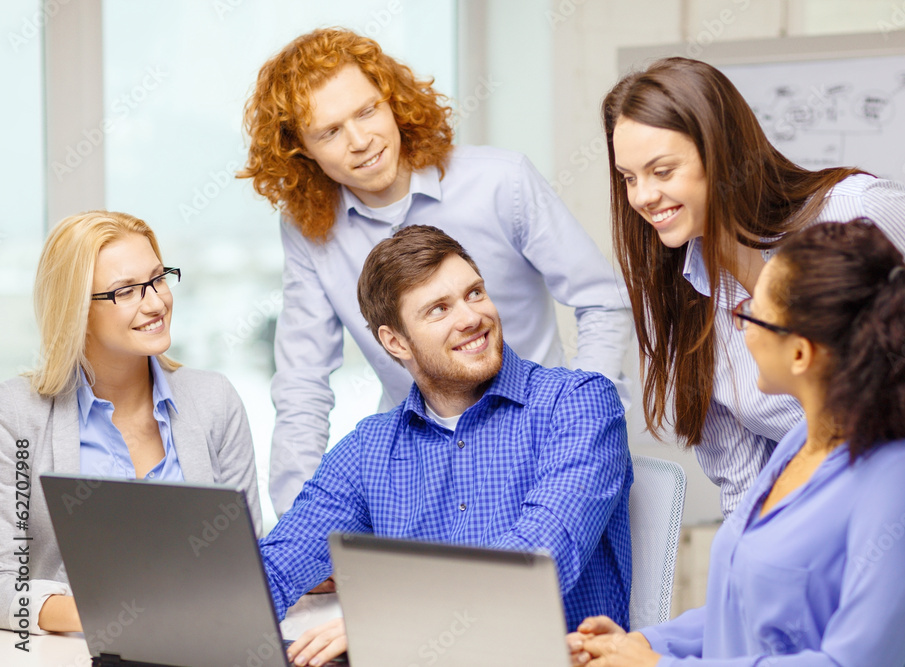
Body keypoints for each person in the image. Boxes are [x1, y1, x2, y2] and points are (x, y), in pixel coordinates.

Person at [240, 27, 634, 515]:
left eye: (367, 111)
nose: (361, 141)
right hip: (415, 472)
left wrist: (580, 423)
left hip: (540, 449)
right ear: (301, 150)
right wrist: (301, 514)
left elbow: (603, 298)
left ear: (393, 101)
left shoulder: (501, 181)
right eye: (330, 132)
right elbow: (303, 380)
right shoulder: (308, 231)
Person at [603, 57, 905, 516]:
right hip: (842, 538)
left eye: (663, 171)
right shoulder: (680, 290)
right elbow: (744, 486)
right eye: (629, 178)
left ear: (722, 153)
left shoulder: (858, 211)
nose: (642, 197)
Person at [568, 219, 905, 665]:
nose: (741, 327)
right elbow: (746, 602)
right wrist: (645, 644)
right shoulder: (800, 442)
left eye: (751, 314)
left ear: (799, 353)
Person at [259, 225, 632, 667]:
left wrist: (386, 620)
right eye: (439, 309)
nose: (471, 317)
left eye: (474, 293)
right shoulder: (368, 449)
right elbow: (279, 565)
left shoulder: (578, 404)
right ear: (395, 342)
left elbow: (536, 563)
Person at [0, 211, 261, 635]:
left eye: (158, 279)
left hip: (206, 646)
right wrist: (106, 616)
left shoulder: (216, 401)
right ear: (76, 309)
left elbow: (246, 561)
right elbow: (2, 583)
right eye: (126, 291)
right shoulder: (16, 415)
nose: (156, 302)